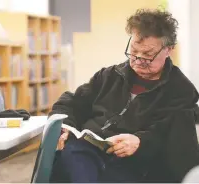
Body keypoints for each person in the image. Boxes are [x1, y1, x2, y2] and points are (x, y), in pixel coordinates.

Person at [49, 8, 199, 183]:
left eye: (148, 55)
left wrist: (140, 142)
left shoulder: (181, 90)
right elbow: (71, 101)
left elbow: (171, 137)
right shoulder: (109, 75)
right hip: (87, 152)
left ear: (168, 50)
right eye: (134, 52)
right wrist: (65, 125)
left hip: (135, 163)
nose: (138, 60)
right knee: (73, 151)